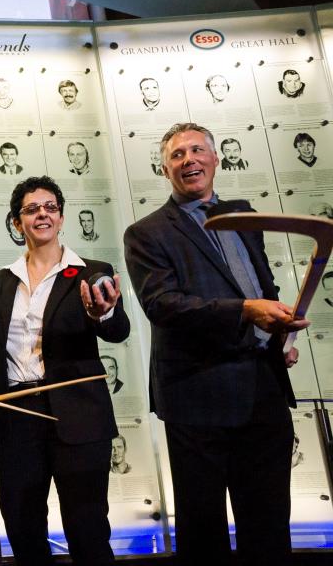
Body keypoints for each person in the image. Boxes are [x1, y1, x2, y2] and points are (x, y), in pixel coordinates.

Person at [124, 122, 307, 566]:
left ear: (215, 159)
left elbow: (259, 284)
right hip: (197, 396)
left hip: (262, 388)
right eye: (177, 155)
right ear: (165, 169)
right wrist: (246, 311)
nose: (189, 160)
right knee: (203, 529)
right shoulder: (146, 232)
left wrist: (276, 330)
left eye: (197, 151)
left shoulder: (245, 216)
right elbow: (164, 305)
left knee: (268, 521)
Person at [0, 175, 128, 566]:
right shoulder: (3, 279)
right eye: (31, 209)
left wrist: (103, 312)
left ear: (60, 218)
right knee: (24, 529)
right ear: (16, 223)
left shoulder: (93, 271)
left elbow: (117, 330)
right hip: (18, 415)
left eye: (50, 208)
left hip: (77, 415)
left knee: (87, 528)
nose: (42, 214)